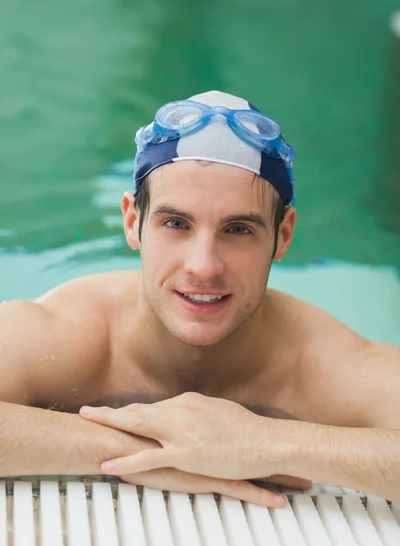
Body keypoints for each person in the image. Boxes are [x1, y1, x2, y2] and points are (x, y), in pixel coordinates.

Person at [1, 90, 399, 508]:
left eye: (239, 229)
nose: (204, 266)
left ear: (283, 235)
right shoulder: (66, 333)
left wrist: (267, 442)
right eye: (176, 223)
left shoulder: (323, 363)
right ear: (133, 222)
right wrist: (157, 451)